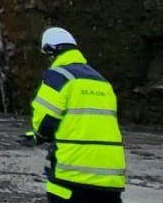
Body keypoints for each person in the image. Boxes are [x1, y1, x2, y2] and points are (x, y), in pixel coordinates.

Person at [25, 27, 125, 202]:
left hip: (73, 172)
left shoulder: (58, 75)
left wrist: (37, 136)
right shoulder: (102, 82)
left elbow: (45, 120)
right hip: (111, 176)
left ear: (51, 51)